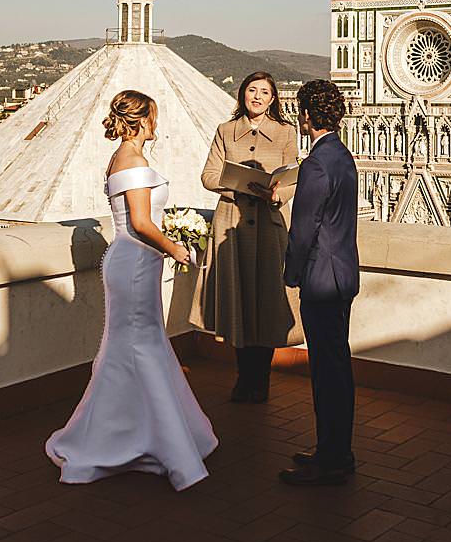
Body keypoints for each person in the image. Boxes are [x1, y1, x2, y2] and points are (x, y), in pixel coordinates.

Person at [45, 89, 217, 490]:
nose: (157, 123)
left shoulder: (122, 158)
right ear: (143, 120)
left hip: (133, 260)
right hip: (137, 261)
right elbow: (141, 222)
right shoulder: (133, 160)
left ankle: (135, 432)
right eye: (154, 116)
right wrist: (176, 246)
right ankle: (155, 443)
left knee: (132, 344)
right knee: (140, 345)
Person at [198, 70, 300, 403]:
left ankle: (262, 378)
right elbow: (209, 176)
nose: (256, 97)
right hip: (233, 226)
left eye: (264, 92)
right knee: (239, 300)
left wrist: (276, 195)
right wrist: (238, 184)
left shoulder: (286, 133)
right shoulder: (225, 131)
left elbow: (293, 178)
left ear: (273, 99)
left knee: (267, 303)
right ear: (242, 94)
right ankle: (244, 377)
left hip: (270, 228)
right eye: (251, 90)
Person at [280, 78, 359, 486]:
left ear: (306, 114)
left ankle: (332, 457)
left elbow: (303, 226)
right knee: (337, 367)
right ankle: (334, 448)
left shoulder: (315, 163)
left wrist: (292, 273)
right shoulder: (344, 156)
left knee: (327, 371)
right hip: (344, 274)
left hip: (321, 279)